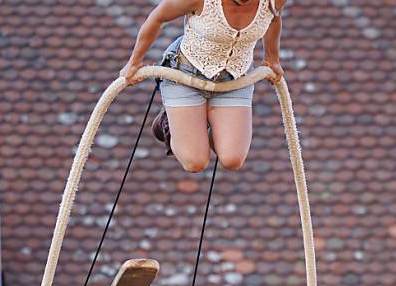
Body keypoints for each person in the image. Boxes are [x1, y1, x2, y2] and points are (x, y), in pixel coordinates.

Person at [120, 0, 286, 173]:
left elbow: (274, 18)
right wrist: (134, 62)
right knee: (195, 163)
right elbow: (157, 18)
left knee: (233, 160)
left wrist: (272, 59)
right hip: (185, 75)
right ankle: (172, 121)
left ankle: (201, 119)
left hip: (235, 78)